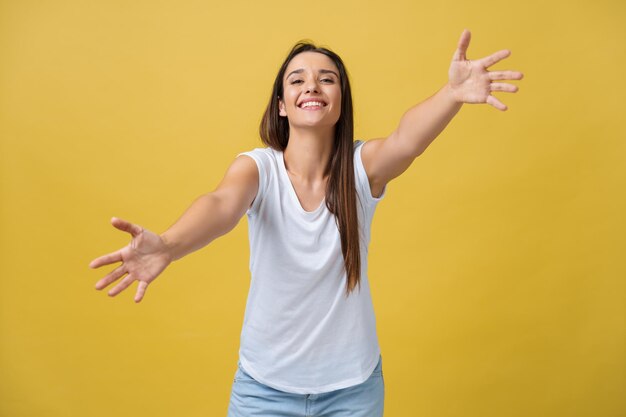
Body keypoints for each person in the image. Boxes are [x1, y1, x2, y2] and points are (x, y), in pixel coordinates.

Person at [89, 29, 523, 417]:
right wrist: (168, 245)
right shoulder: (258, 169)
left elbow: (405, 141)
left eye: (326, 78)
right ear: (281, 104)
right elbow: (220, 206)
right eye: (297, 79)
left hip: (352, 391)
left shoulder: (360, 168)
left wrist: (450, 95)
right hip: (264, 390)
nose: (311, 85)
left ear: (339, 102)